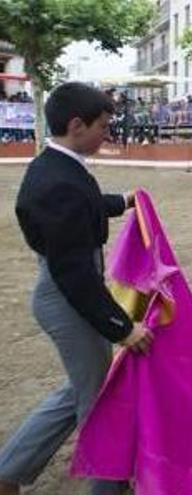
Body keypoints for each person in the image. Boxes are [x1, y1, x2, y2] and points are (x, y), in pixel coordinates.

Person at [0, 83, 153, 495]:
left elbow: (83, 205)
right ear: (76, 125)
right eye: (103, 125)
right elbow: (74, 274)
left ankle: (8, 470)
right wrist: (122, 327)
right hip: (68, 298)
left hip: (67, 291)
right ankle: (106, 487)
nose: (108, 132)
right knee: (99, 399)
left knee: (80, 390)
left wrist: (121, 202)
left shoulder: (60, 167)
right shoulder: (58, 181)